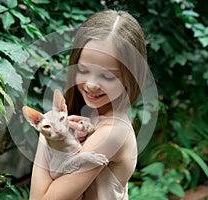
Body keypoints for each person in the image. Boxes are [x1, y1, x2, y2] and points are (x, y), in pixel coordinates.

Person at [29, 9, 148, 200]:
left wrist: (49, 130)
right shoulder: (93, 115)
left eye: (107, 76)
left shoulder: (112, 132)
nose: (92, 85)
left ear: (131, 76)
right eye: (83, 69)